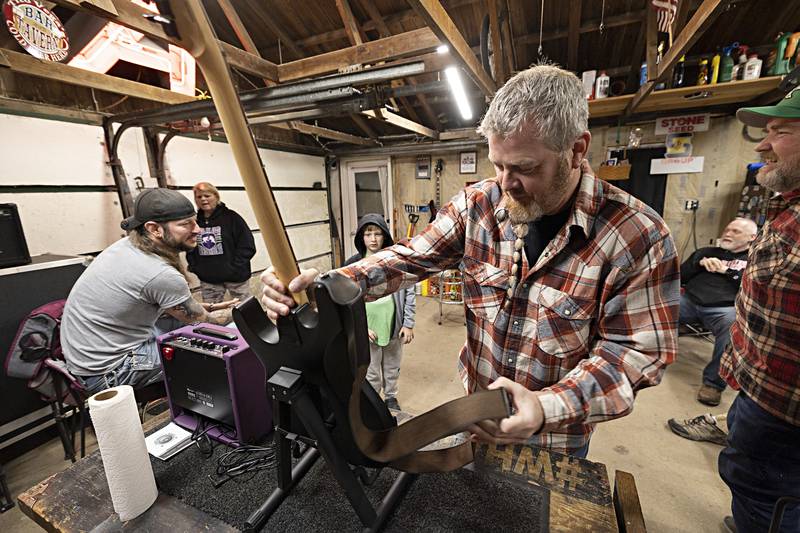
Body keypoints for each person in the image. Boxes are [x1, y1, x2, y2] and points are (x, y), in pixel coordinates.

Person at [261, 64, 680, 458]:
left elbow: (634, 356)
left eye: (524, 167)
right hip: (475, 415)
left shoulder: (637, 237)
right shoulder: (479, 204)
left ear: (576, 150)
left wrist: (546, 407)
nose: (506, 183)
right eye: (498, 164)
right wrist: (328, 284)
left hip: (554, 437)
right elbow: (411, 257)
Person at [715, 90, 800, 533]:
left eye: (780, 132)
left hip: (786, 418)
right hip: (762, 398)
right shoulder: (788, 208)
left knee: (772, 502)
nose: (762, 146)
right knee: (753, 487)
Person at [61, 188, 238, 395]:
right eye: (185, 224)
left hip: (85, 359)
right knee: (220, 344)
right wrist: (241, 314)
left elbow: (161, 305)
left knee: (193, 329)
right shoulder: (159, 273)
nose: (198, 229)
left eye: (195, 221)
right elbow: (206, 322)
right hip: (108, 372)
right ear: (154, 229)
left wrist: (207, 307)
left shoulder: (125, 246)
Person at [680, 218, 757, 406]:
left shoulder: (754, 260)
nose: (728, 233)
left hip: (725, 308)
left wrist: (728, 271)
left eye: (736, 231)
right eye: (727, 229)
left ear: (752, 238)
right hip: (688, 300)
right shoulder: (707, 252)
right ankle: (644, 353)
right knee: (657, 307)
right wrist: (699, 262)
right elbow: (679, 275)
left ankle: (713, 384)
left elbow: (756, 290)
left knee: (733, 328)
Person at [345, 213, 415, 411]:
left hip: (393, 325)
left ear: (385, 236)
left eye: (377, 234)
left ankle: (391, 396)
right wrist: (360, 328)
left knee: (392, 365)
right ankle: (374, 401)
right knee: (372, 370)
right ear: (361, 237)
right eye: (368, 234)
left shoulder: (394, 262)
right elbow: (346, 300)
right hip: (369, 329)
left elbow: (409, 292)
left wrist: (408, 323)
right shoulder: (353, 264)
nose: (373, 239)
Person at [186, 182, 256, 304]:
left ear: (216, 197)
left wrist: (234, 267)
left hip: (236, 278)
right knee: (212, 314)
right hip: (209, 280)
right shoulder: (194, 222)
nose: (203, 199)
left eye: (207, 196)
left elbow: (247, 245)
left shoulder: (232, 218)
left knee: (245, 310)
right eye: (199, 197)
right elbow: (189, 245)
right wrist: (195, 267)